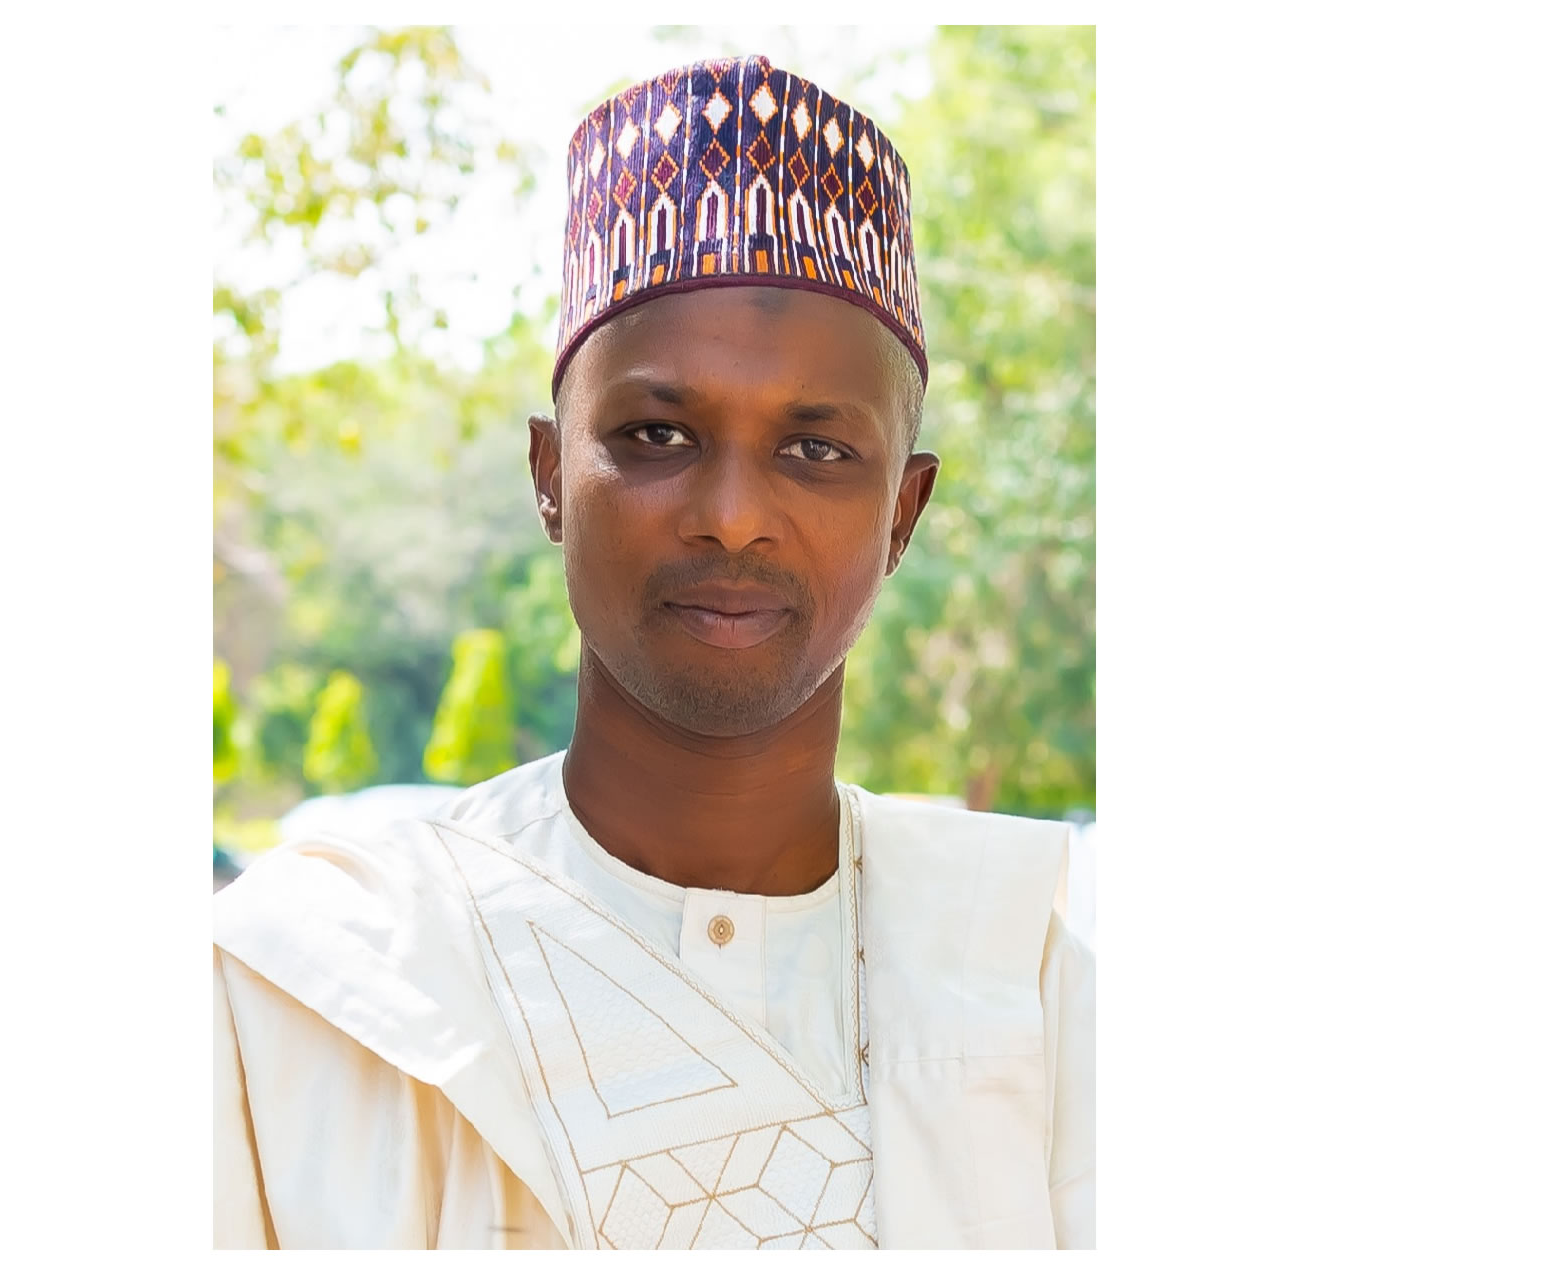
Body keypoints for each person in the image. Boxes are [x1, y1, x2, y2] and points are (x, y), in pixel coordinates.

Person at [213, 53, 1095, 1250]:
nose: (732, 515)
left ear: (903, 512)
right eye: (657, 434)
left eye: (816, 451)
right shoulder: (312, 984)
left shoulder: (1042, 984)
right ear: (550, 475)